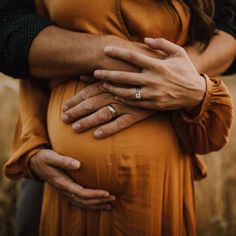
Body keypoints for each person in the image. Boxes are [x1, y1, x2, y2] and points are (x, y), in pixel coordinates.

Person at [0, 0, 235, 235]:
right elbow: (13, 32)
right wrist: (32, 142)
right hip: (59, 186)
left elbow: (230, 24)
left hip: (157, 184)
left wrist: (171, 77)